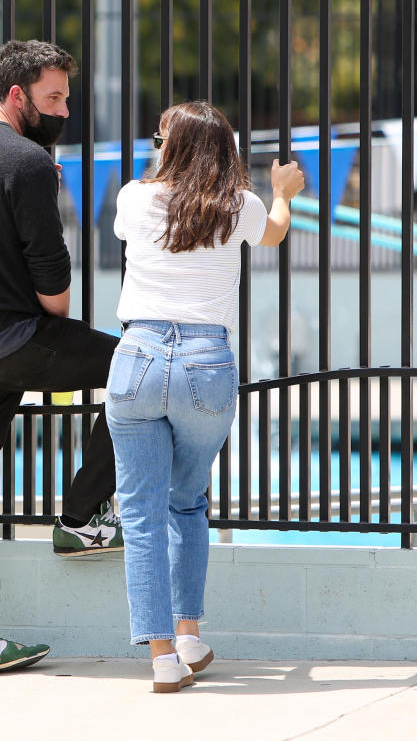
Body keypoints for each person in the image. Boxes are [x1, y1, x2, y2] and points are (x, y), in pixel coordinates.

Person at [0, 40, 123, 676]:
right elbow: (53, 286)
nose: (64, 110)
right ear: (18, 97)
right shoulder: (27, 161)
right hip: (15, 340)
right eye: (53, 98)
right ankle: (85, 516)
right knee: (140, 368)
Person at [106, 101, 304, 692]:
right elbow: (273, 233)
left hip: (137, 356)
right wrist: (283, 190)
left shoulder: (134, 198)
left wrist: (165, 155)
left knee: (140, 516)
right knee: (187, 501)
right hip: (205, 361)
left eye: (161, 135)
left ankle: (163, 656)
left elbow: (141, 211)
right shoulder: (237, 206)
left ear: (173, 144)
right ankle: (189, 634)